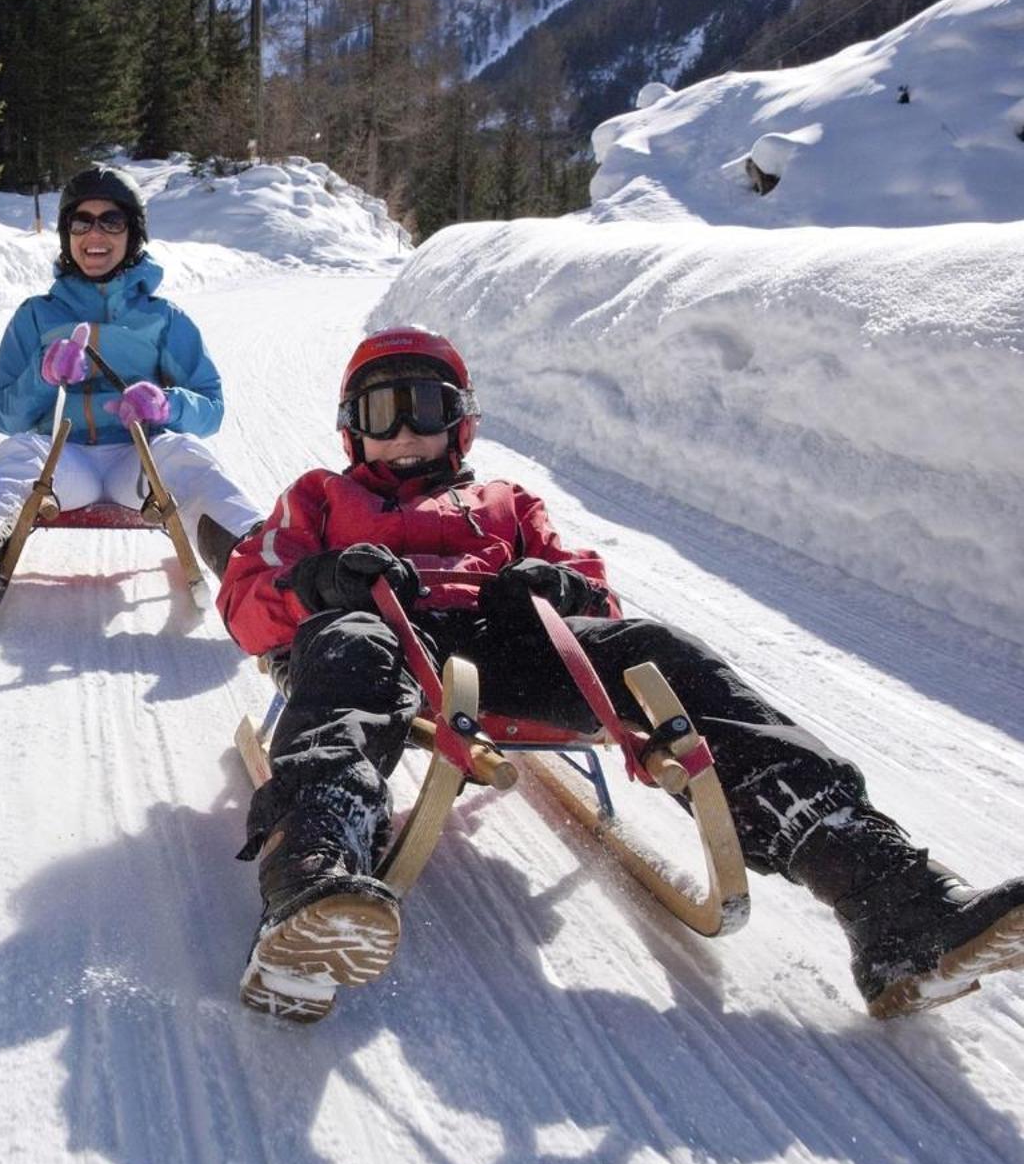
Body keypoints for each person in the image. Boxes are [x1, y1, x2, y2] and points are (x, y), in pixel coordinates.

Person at [216, 324, 1024, 1020]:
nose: (401, 433)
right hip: (385, 633)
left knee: (657, 652)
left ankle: (893, 908)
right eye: (378, 413)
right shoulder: (317, 498)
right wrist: (315, 582)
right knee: (353, 643)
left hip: (511, 646)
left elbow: (593, 588)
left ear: (459, 425)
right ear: (350, 429)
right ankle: (313, 877)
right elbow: (247, 599)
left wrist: (562, 589)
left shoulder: (505, 502)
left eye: (422, 410)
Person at [0, 164, 262, 624]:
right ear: (66, 234)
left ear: (134, 234)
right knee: (18, 454)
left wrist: (167, 404)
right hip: (65, 459)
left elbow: (211, 411)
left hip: (138, 460)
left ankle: (255, 559)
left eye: (112, 220)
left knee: (185, 454)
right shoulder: (37, 316)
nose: (96, 233)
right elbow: (5, 415)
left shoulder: (164, 319)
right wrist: (43, 372)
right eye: (81, 221)